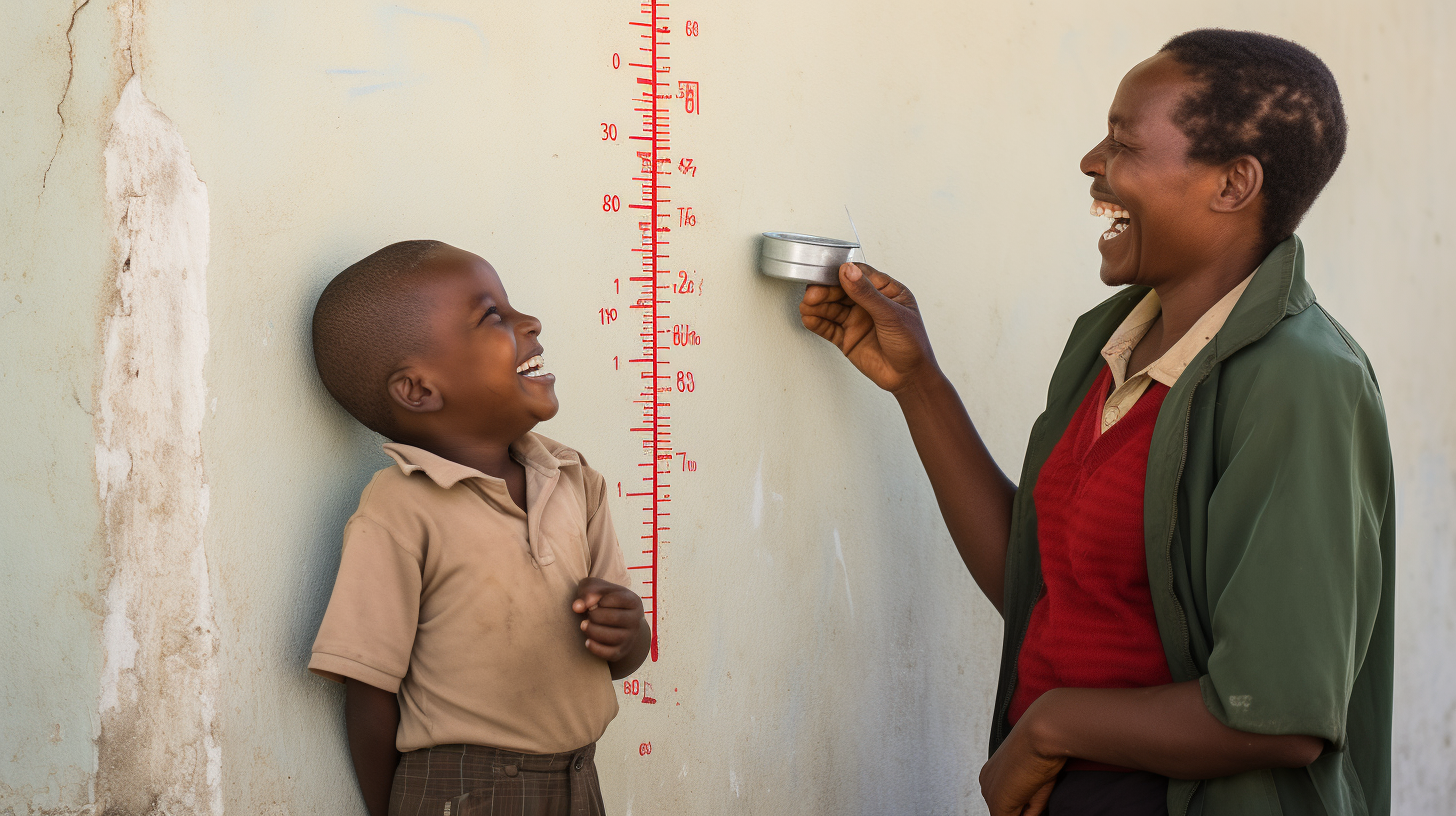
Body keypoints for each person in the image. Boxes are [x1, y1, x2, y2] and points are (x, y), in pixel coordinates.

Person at [800, 29, 1393, 816]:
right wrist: (920, 385)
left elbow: (1277, 714)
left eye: (1122, 143)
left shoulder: (1303, 381)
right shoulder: (1107, 343)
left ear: (1233, 184)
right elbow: (1042, 585)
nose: (1091, 162)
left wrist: (1051, 727)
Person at [307, 241, 651, 816]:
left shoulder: (572, 480)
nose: (530, 322)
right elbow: (369, 687)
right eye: (493, 316)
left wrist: (629, 629)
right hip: (463, 789)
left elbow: (620, 657)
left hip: (578, 777)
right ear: (419, 390)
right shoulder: (401, 507)